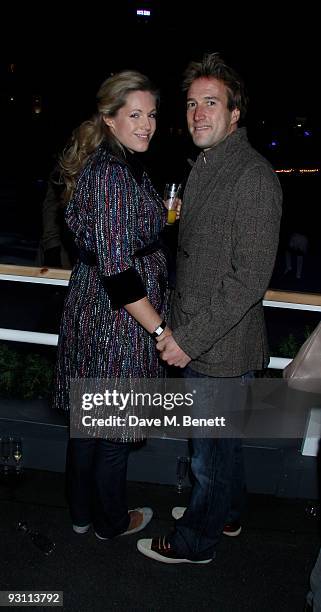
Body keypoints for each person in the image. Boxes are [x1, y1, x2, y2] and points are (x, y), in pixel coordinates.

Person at [137, 52, 282, 563]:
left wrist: (186, 341)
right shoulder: (208, 165)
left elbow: (249, 279)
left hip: (219, 348)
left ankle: (197, 541)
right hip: (204, 337)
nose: (199, 113)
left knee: (207, 457)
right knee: (223, 448)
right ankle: (228, 512)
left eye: (212, 103)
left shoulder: (253, 176)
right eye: (193, 104)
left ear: (235, 112)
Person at [53, 70, 172, 540]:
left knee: (89, 422)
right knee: (113, 430)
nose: (147, 125)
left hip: (93, 307)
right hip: (118, 318)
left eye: (152, 115)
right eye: (135, 115)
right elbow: (120, 273)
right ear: (109, 119)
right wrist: (162, 332)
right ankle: (111, 521)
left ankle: (82, 515)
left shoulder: (110, 166)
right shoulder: (112, 174)